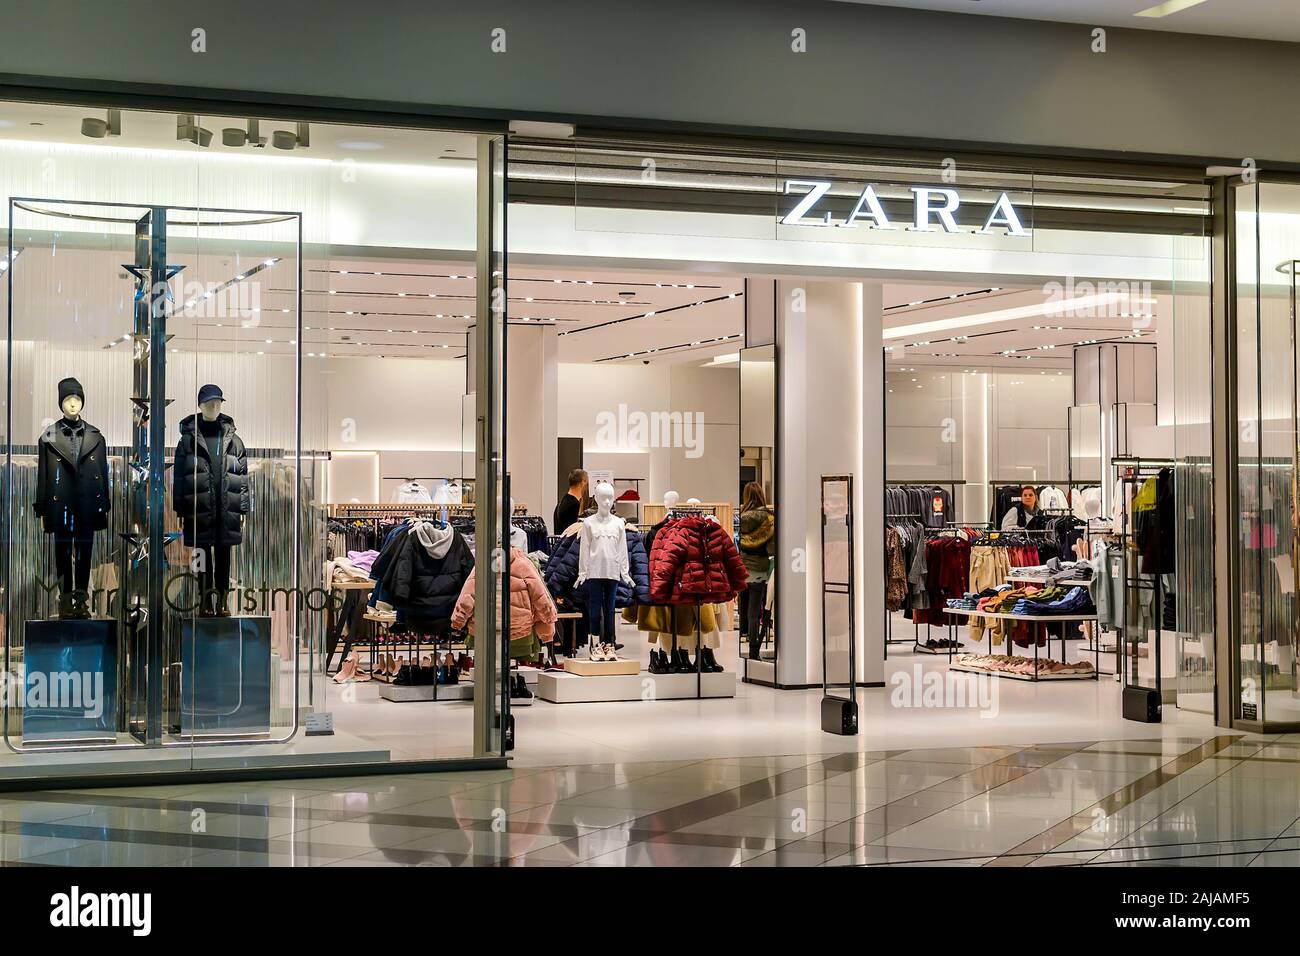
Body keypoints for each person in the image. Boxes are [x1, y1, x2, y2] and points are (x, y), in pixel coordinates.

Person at [737, 481, 775, 662]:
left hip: (743, 566)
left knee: (743, 608)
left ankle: (743, 635)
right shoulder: (768, 517)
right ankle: (753, 650)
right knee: (755, 611)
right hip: (760, 567)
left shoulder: (742, 516)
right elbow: (772, 548)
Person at [552, 468, 587, 534]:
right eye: (586, 483)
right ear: (582, 482)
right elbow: (573, 532)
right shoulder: (574, 505)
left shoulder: (562, 502)